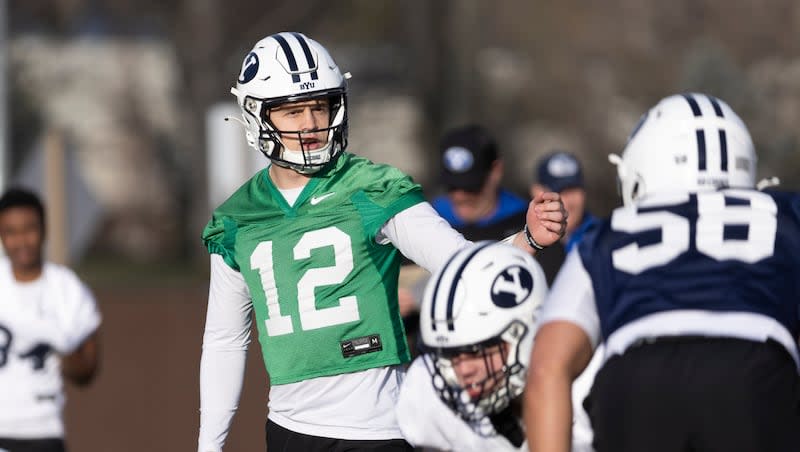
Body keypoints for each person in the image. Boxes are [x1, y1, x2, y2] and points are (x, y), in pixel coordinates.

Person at [197, 32, 567, 452]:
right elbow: (225, 339)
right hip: (288, 430)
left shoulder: (373, 188)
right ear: (256, 116)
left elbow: (462, 265)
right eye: (293, 111)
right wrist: (209, 445)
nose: (311, 124)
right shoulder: (235, 220)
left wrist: (528, 238)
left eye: (319, 106)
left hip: (379, 429)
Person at [525, 93, 800, 452]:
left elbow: (548, 367)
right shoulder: (787, 215)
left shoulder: (607, 234)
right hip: (755, 377)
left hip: (638, 384)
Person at [395, 241, 599, 452]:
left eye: (476, 352)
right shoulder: (427, 392)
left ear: (525, 336)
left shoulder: (590, 390)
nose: (462, 370)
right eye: (451, 356)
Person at [0, 187, 102, 452]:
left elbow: (88, 369)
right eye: (11, 232)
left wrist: (64, 355)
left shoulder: (67, 289)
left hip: (42, 431)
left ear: (44, 230)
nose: (22, 240)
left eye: (29, 229)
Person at [431, 124, 530, 241]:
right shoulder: (430, 220)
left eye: (470, 186)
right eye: (451, 186)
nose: (459, 196)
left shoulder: (526, 224)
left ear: (496, 171)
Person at [530, 151, 598, 285]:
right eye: (560, 191)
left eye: (574, 190)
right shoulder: (523, 238)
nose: (569, 202)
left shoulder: (603, 236)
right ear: (537, 192)